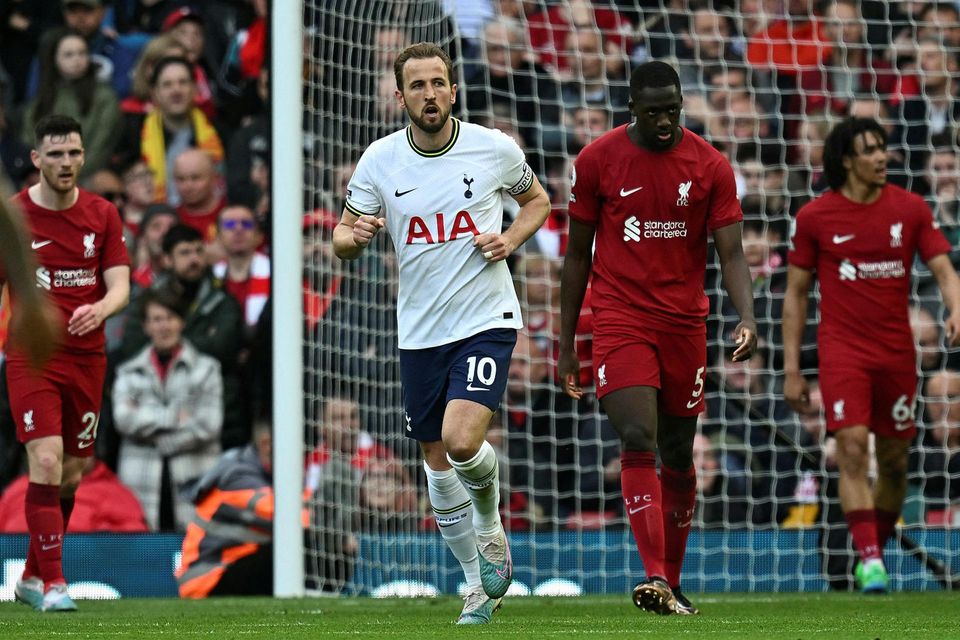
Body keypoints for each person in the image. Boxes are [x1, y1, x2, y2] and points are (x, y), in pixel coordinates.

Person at [332, 42, 550, 624]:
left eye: (439, 83)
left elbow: (539, 202)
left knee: (459, 440)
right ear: (400, 96)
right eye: (418, 86)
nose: (430, 94)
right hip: (420, 329)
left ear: (453, 90)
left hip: (485, 318)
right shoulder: (379, 161)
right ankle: (476, 584)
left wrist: (511, 239)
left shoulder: (494, 148)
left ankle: (490, 523)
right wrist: (356, 238)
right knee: (434, 458)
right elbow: (342, 238)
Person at [558, 60, 757, 616]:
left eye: (673, 110)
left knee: (678, 451)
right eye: (654, 112)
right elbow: (576, 258)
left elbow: (733, 253)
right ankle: (653, 574)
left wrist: (748, 316)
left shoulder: (710, 164)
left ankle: (669, 580)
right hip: (620, 318)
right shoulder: (597, 161)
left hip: (684, 325)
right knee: (637, 433)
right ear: (631, 109)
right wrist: (566, 342)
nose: (665, 121)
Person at [782, 116, 960, 594]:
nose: (882, 156)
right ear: (846, 159)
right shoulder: (815, 218)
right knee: (853, 448)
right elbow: (795, 295)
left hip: (898, 355)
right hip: (843, 353)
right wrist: (793, 370)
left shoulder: (910, 208)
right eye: (869, 149)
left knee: (897, 463)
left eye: (883, 147)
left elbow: (944, 269)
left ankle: (870, 553)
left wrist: (957, 306)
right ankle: (872, 560)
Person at [5, 114, 131, 612]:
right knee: (47, 459)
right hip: (32, 357)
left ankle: (33, 577)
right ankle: (56, 585)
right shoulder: (13, 218)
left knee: (73, 471)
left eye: (74, 153)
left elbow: (120, 283)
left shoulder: (102, 214)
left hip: (88, 357)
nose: (66, 162)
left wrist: (100, 307)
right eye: (55, 154)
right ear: (37, 159)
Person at [112, 288, 223, 531]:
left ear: (182, 322)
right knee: (145, 561)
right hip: (142, 486)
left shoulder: (207, 369)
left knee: (193, 559)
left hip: (194, 484)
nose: (164, 326)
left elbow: (208, 425)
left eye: (170, 318)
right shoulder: (128, 372)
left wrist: (156, 438)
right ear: (146, 326)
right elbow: (123, 419)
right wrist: (176, 417)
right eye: (156, 319)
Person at [176, 417, 274, 598]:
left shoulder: (258, 470)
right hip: (208, 577)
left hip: (232, 568)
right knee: (282, 551)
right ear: (266, 444)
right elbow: (285, 517)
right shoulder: (237, 475)